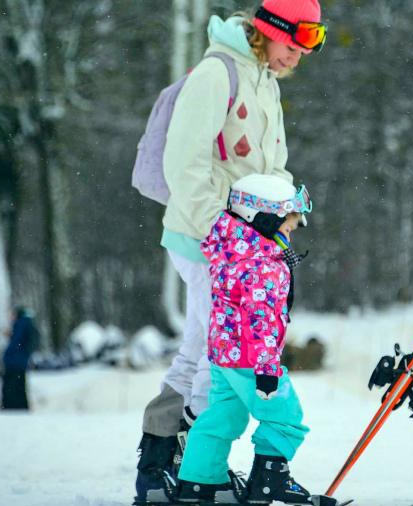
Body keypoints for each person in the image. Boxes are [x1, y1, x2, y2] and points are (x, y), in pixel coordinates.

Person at [134, 1, 327, 503]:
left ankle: (171, 464)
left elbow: (273, 169)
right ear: (270, 30)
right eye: (296, 42)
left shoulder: (265, 80)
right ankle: (187, 469)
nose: (300, 56)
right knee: (216, 353)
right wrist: (221, 234)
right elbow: (185, 162)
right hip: (207, 240)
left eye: (312, 44)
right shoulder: (217, 73)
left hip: (246, 246)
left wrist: (280, 223)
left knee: (203, 346)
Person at [173, 174, 323, 504]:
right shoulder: (264, 265)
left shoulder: (231, 252)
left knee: (223, 416)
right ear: (264, 219)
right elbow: (262, 323)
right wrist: (268, 370)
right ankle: (270, 479)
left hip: (223, 354)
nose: (292, 231)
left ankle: (198, 483)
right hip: (251, 359)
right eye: (288, 224)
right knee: (287, 417)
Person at [1, 307, 39, 410]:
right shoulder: (27, 323)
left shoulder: (20, 324)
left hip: (14, 362)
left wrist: (7, 356)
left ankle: (11, 407)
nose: (11, 317)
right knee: (20, 386)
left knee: (10, 387)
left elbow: (16, 343)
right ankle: (21, 407)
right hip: (21, 361)